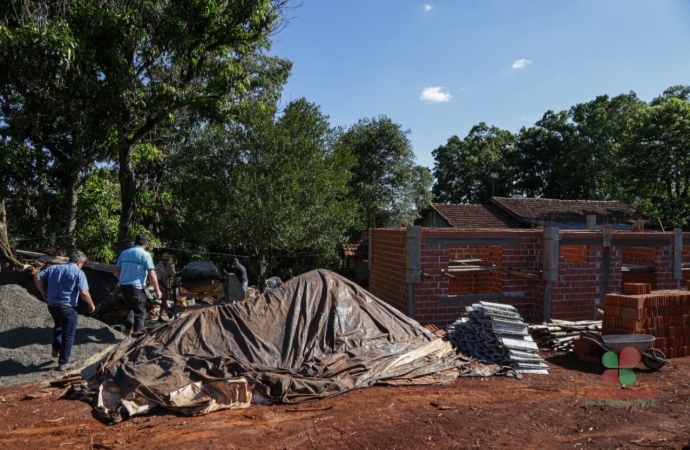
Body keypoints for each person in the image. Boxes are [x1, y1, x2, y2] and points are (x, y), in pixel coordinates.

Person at [34, 250, 96, 371]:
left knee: (58, 325)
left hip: (52, 305)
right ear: (79, 262)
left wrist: (43, 292)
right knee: (68, 335)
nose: (82, 266)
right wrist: (91, 304)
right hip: (67, 307)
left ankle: (56, 348)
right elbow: (83, 292)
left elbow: (37, 277)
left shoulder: (54, 268)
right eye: (82, 264)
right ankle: (63, 362)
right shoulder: (78, 273)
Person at [114, 233, 162, 335]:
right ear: (146, 244)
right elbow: (152, 273)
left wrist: (122, 279)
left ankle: (127, 330)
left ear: (135, 242)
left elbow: (116, 270)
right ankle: (137, 338)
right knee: (140, 313)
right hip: (136, 287)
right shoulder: (145, 255)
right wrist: (157, 290)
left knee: (132, 307)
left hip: (124, 287)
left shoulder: (124, 253)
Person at [154, 252, 174, 321]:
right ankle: (168, 312)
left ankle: (160, 316)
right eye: (165, 259)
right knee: (163, 297)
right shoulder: (158, 267)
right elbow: (158, 280)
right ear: (162, 260)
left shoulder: (169, 265)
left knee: (164, 300)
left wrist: (170, 275)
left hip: (166, 284)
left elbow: (170, 273)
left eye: (167, 260)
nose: (166, 261)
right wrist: (165, 288)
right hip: (158, 284)